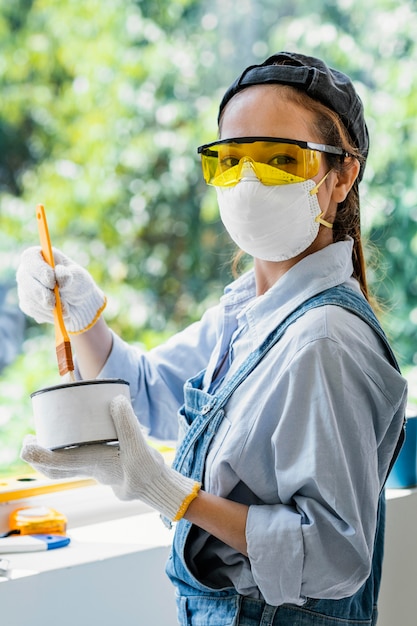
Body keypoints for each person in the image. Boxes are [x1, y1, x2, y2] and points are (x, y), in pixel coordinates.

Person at [17, 52, 407, 625]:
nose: (248, 181)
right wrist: (83, 316)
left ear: (341, 177)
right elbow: (148, 394)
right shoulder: (247, 316)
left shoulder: (324, 340)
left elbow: (334, 557)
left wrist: (173, 495)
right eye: (230, 159)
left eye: (279, 159)